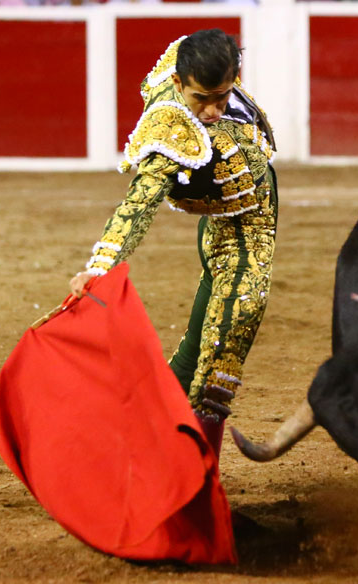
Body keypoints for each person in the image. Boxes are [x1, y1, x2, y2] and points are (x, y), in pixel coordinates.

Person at [69, 29, 278, 455]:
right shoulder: (172, 126)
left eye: (223, 95)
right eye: (203, 97)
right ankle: (189, 484)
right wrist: (99, 267)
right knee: (220, 356)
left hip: (246, 219)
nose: (214, 110)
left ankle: (142, 447)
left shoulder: (193, 69)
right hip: (237, 230)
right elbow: (140, 201)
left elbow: (195, 50)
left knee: (204, 345)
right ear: (180, 84)